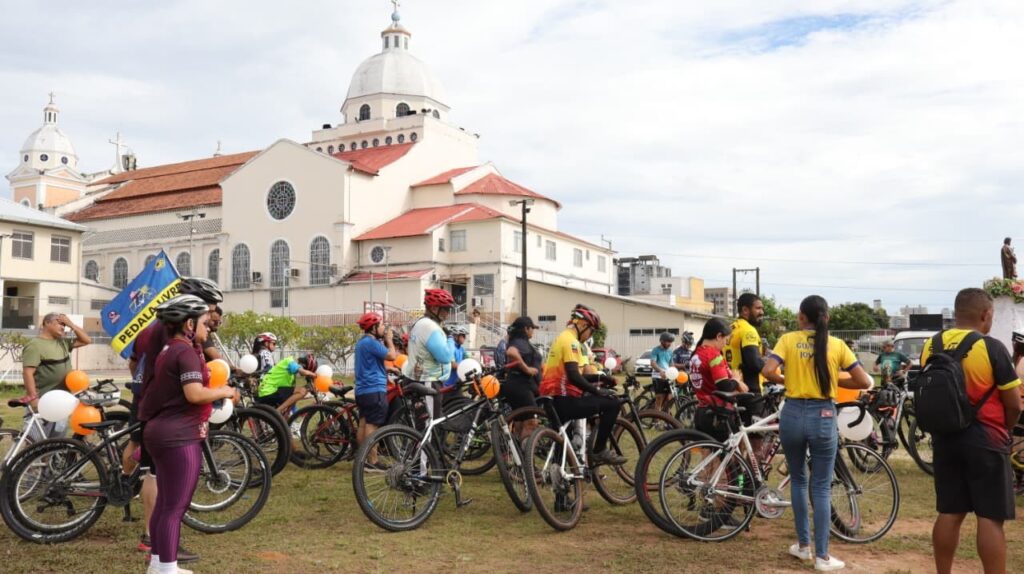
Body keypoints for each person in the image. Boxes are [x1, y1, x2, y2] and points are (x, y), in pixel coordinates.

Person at [761, 295, 872, 571]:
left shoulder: (788, 340)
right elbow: (863, 381)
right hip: (823, 415)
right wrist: (834, 377)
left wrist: (789, 380)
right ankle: (823, 557)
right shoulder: (837, 345)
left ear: (801, 317)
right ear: (827, 318)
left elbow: (767, 370)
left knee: (799, 480)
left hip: (792, 414)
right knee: (821, 486)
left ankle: (803, 547)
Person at [920, 288, 1021, 574]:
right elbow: (1013, 403)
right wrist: (1007, 429)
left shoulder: (931, 345)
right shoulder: (991, 347)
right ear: (986, 314)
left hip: (945, 438)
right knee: (990, 517)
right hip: (986, 440)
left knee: (950, 512)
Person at [127, 276, 222, 562]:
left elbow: (133, 362)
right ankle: (152, 539)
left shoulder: (155, 330)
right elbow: (192, 387)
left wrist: (147, 385)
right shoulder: (178, 339)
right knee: (156, 476)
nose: (211, 316)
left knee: (152, 465)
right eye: (209, 309)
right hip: (167, 414)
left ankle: (156, 540)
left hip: (152, 405)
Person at [539, 305, 624, 466]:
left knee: (564, 442)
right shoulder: (571, 342)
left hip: (553, 399)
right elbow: (574, 377)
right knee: (613, 403)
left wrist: (601, 378)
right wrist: (598, 391)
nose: (590, 335)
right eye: (591, 331)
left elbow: (576, 375)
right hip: (564, 400)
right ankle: (599, 450)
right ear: (583, 325)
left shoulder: (563, 337)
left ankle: (558, 477)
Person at [20, 312, 91, 439]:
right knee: (35, 442)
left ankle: (48, 459)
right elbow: (27, 373)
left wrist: (71, 324)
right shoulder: (35, 345)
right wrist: (33, 398)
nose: (63, 327)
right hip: (43, 401)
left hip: (62, 401)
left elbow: (87, 340)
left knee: (56, 442)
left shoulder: (62, 342)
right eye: (60, 323)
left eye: (64, 325)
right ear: (47, 323)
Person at [689, 319, 747, 442]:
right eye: (726, 340)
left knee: (708, 455)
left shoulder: (696, 354)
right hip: (718, 412)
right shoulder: (713, 355)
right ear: (718, 336)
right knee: (723, 457)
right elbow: (724, 385)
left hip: (701, 410)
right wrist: (736, 380)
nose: (726, 344)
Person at [403, 289, 456, 422]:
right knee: (431, 426)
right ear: (434, 308)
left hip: (419, 378)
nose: (447, 314)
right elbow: (445, 357)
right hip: (428, 382)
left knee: (421, 424)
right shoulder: (430, 327)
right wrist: (450, 338)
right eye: (445, 309)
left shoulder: (420, 323)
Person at [354, 312, 396, 466]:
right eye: (381, 325)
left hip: (362, 391)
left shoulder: (361, 343)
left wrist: (386, 370)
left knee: (363, 425)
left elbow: (369, 365)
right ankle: (372, 461)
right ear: (373, 328)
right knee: (373, 426)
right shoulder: (372, 343)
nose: (384, 328)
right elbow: (392, 356)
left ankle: (362, 460)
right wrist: (389, 340)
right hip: (374, 390)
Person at [500, 316, 542, 439]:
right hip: (522, 386)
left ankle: (517, 453)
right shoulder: (520, 342)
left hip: (516, 385)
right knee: (531, 422)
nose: (533, 331)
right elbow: (511, 352)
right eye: (532, 328)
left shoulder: (520, 341)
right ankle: (526, 455)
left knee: (520, 422)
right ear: (526, 328)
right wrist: (527, 369)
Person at [729, 293, 766, 395]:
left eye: (762, 309)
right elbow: (755, 363)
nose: (762, 312)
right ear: (745, 310)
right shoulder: (748, 330)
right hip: (749, 389)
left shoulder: (731, 328)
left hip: (732, 386)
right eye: (758, 308)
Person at [650, 332, 675, 412]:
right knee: (659, 401)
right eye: (668, 341)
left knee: (670, 398)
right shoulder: (656, 350)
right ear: (662, 341)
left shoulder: (670, 351)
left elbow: (671, 364)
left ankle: (666, 418)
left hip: (668, 376)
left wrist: (674, 372)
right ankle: (656, 422)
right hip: (658, 376)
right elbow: (653, 363)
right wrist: (660, 371)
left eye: (671, 342)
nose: (670, 344)